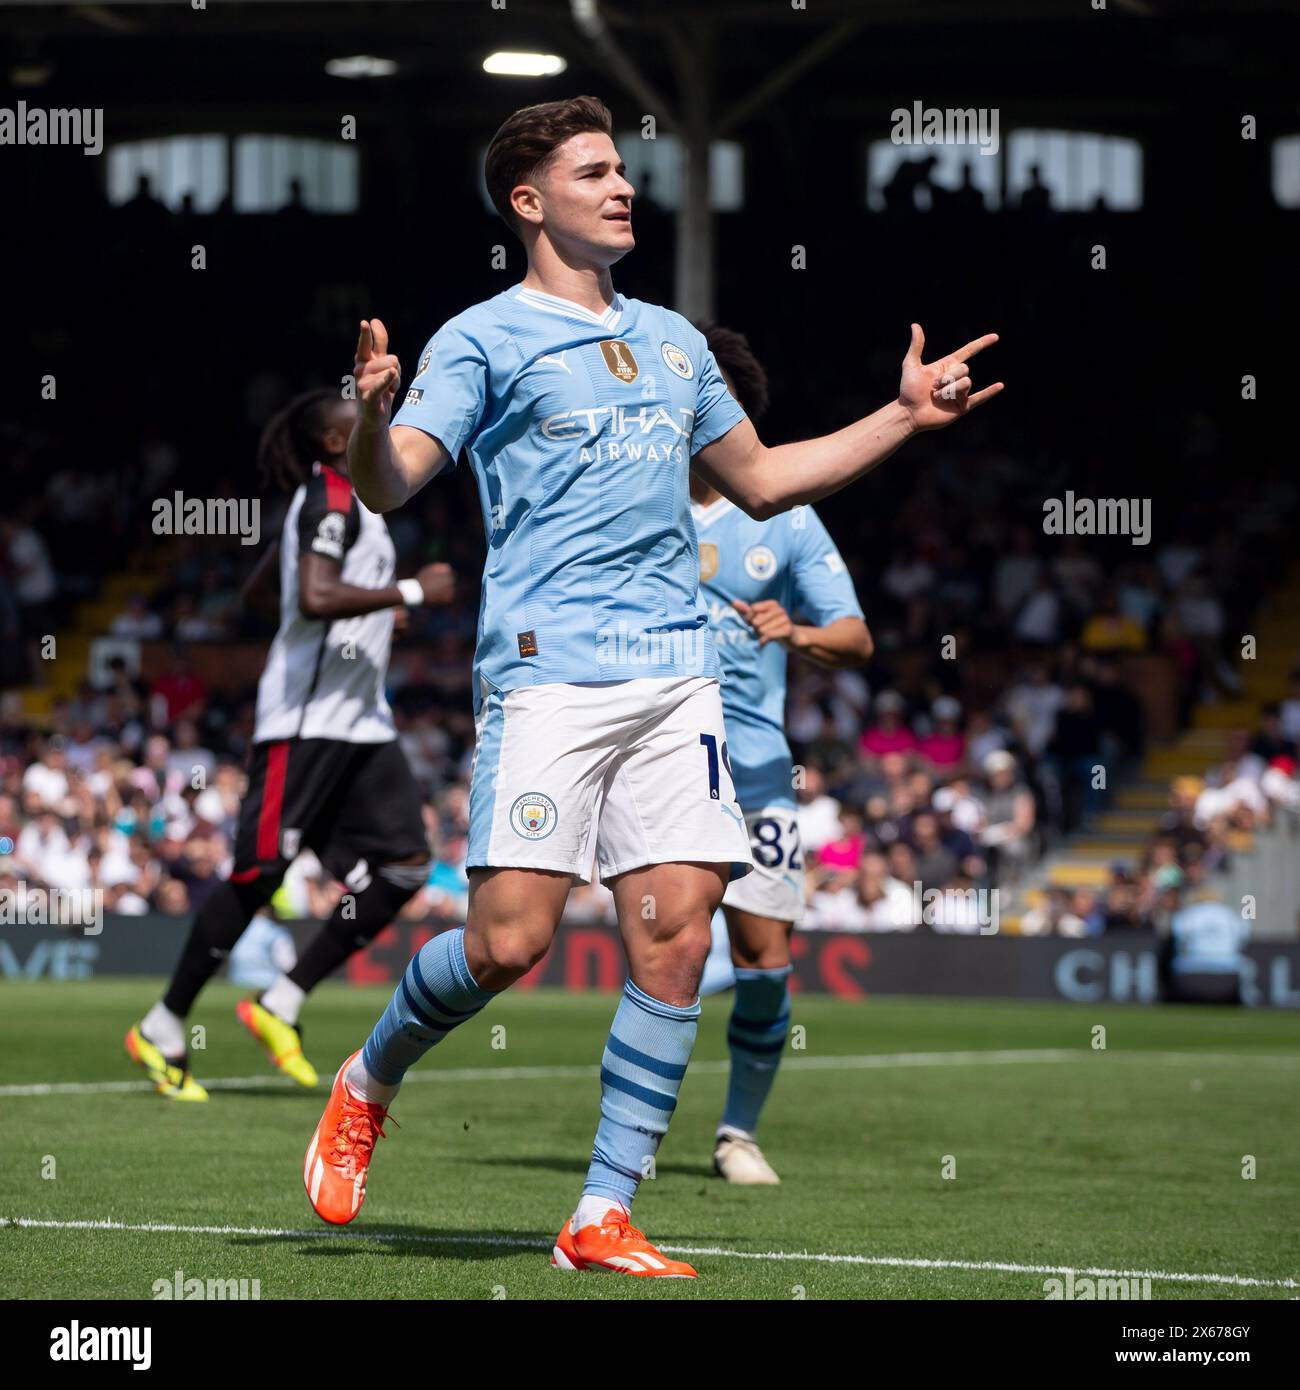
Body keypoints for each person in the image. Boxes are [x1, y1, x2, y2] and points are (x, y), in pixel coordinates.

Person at [305, 94, 1001, 1278]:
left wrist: (898, 415)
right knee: (506, 944)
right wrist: (372, 421)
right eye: (592, 172)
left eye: (623, 168)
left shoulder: (677, 341)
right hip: (547, 682)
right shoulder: (482, 339)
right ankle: (368, 1077)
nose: (621, 185)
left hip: (677, 682)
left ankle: (600, 1212)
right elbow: (389, 487)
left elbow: (769, 481)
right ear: (529, 202)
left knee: (673, 941)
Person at [125, 388, 455, 1101]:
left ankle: (281, 1001)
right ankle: (164, 1023)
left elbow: (263, 593)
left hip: (360, 723)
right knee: (259, 875)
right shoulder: (329, 496)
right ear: (337, 444)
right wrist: (410, 595)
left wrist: (363, 620)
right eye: (362, 422)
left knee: (404, 865)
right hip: (305, 724)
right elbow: (311, 595)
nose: (380, 428)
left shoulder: (354, 500)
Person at [688, 322, 872, 1184]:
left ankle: (738, 1134)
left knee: (762, 960)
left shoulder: (787, 518)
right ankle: (634, 1134)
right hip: (654, 751)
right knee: (669, 948)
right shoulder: (628, 496)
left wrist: (791, 631)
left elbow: (855, 639)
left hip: (755, 766)